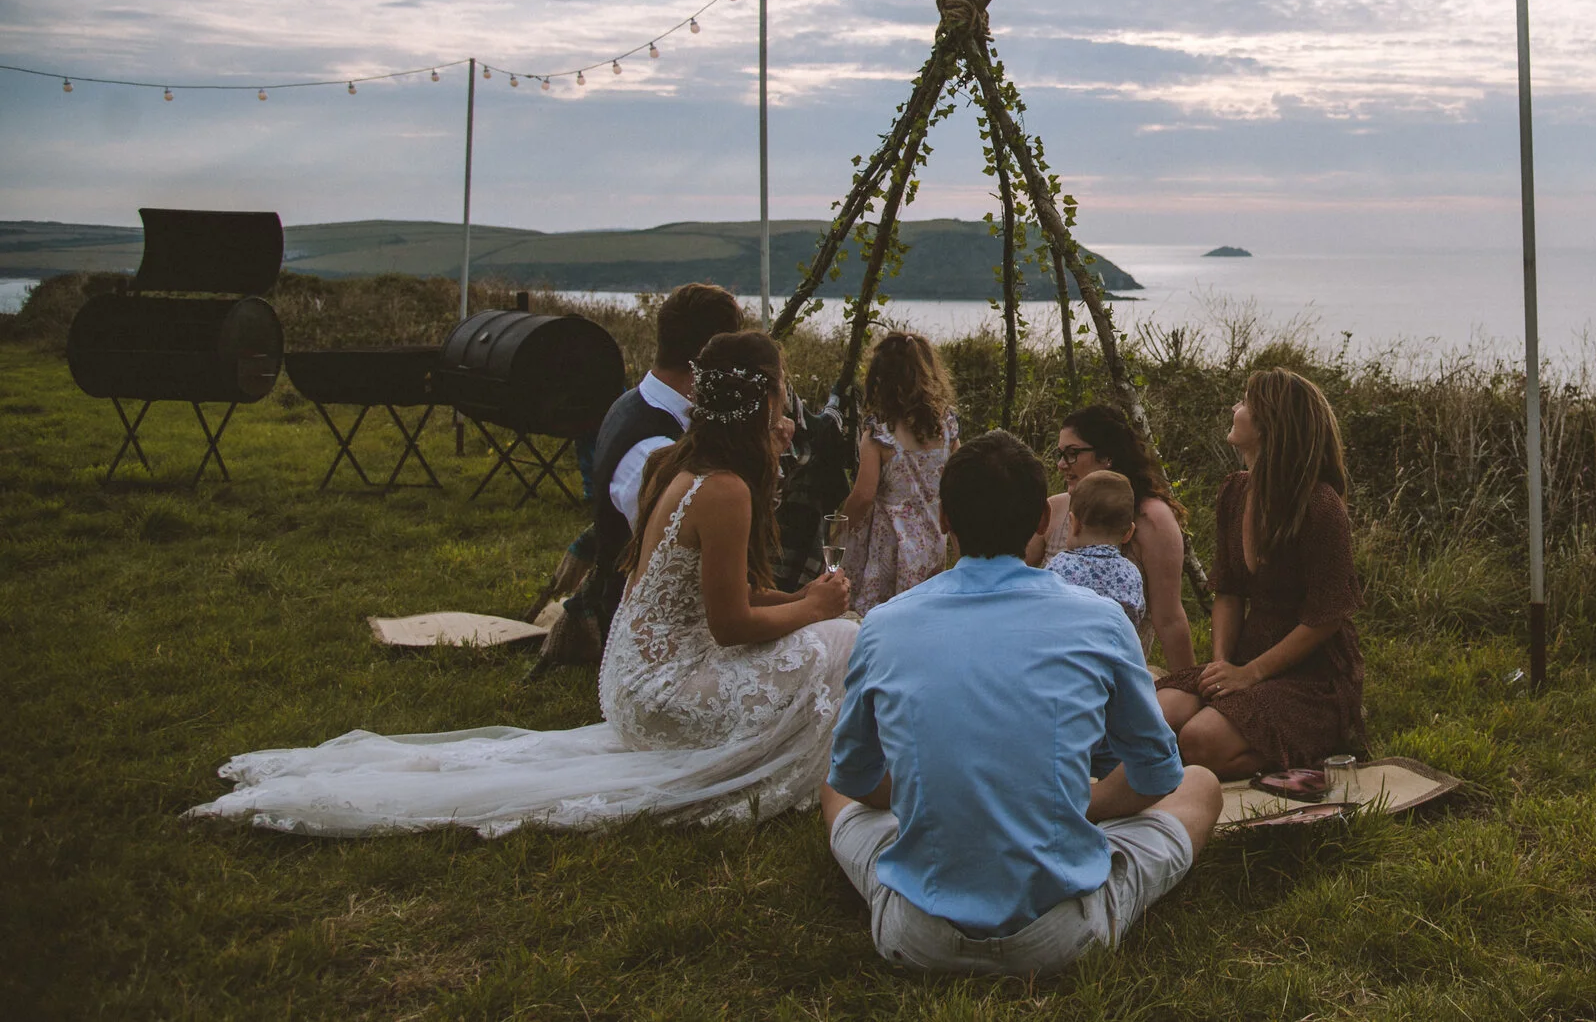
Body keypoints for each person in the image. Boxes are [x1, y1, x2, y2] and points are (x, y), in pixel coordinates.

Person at [189, 332, 858, 837]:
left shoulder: (680, 461)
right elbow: (730, 625)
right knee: (842, 644)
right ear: (757, 403)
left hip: (631, 678)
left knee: (835, 630)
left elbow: (726, 601)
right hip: (660, 691)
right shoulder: (727, 489)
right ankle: (826, 782)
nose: (785, 411)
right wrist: (815, 608)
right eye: (779, 395)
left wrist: (806, 603)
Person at [823, 430, 1221, 975]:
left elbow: (855, 779)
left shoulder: (883, 625)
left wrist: (937, 789)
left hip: (917, 936)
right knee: (1200, 785)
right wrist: (1080, 804)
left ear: (944, 519)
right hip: (1061, 937)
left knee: (831, 788)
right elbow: (1156, 777)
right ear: (1042, 521)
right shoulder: (1102, 620)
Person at [1155, 368, 1365, 776]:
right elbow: (1229, 591)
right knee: (1154, 719)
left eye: (1246, 402)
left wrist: (1250, 674)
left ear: (1270, 424)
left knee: (1198, 740)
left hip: (1310, 675)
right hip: (1245, 658)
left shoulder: (1321, 506)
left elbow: (1327, 617)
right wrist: (1220, 667)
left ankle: (1317, 747)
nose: (1236, 408)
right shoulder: (1234, 491)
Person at [583, 283, 745, 632]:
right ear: (712, 359)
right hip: (655, 627)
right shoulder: (652, 449)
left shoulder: (638, 401)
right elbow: (683, 561)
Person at [1043, 403, 1194, 670]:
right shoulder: (1053, 510)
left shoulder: (1153, 518)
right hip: (1053, 666)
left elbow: (1169, 618)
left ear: (1106, 456)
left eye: (1072, 453)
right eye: (1060, 454)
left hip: (1120, 671)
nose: (1061, 465)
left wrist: (1190, 684)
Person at [843, 329, 959, 612]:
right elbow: (958, 482)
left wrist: (838, 529)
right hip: (932, 538)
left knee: (880, 612)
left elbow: (863, 496)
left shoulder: (880, 436)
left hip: (889, 546)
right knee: (921, 610)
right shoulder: (946, 430)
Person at [1047, 470, 1147, 631]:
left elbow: (1044, 608)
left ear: (1074, 524)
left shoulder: (1059, 565)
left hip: (1065, 649)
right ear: (1129, 532)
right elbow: (1136, 617)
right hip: (1115, 651)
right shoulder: (1131, 574)